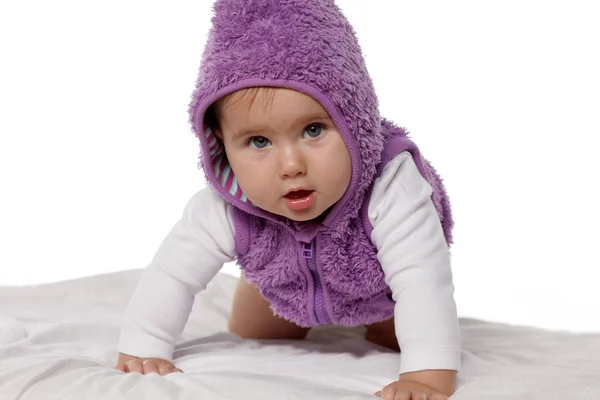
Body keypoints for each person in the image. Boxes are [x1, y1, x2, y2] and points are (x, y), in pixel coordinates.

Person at [113, 1, 461, 399]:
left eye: (313, 130)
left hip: (381, 289)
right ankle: (277, 287)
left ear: (355, 121)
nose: (291, 165)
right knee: (252, 334)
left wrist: (426, 375)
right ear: (221, 148)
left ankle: (382, 323)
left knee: (401, 334)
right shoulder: (225, 206)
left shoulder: (392, 185)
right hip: (288, 283)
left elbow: (421, 279)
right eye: (258, 141)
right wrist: (145, 346)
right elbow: (172, 273)